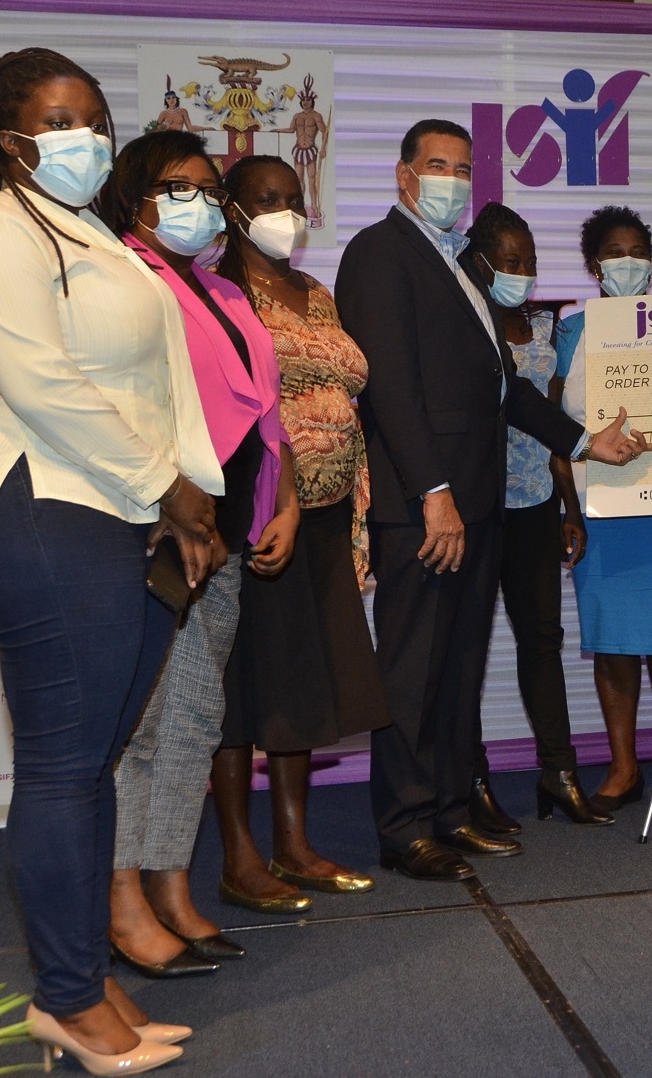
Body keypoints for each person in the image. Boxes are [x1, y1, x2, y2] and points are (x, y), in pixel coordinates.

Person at [0, 47, 217, 1072]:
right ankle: (63, 999)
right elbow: (45, 386)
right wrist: (167, 488)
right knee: (62, 767)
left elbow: (162, 377)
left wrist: (198, 499)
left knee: (90, 764)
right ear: (11, 140)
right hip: (34, 503)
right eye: (60, 122)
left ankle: (87, 976)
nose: (86, 139)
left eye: (94, 118)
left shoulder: (94, 233)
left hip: (121, 508)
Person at [335, 121, 645, 881]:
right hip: (426, 509)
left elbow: (502, 388)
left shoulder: (457, 265)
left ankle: (446, 808)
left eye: (461, 167)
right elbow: (394, 390)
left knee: (456, 668)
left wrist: (582, 442)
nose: (450, 179)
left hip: (478, 508)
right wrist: (433, 494)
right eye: (435, 165)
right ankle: (403, 824)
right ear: (404, 174)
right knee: (413, 670)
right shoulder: (380, 252)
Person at [101, 131, 297, 973]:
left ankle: (173, 886)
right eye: (177, 187)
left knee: (194, 721)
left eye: (207, 187)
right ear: (134, 199)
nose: (198, 202)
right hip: (161, 532)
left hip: (229, 533)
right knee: (145, 727)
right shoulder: (118, 282)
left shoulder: (223, 288)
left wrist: (282, 500)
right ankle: (122, 901)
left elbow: (265, 410)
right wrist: (174, 515)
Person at [209, 155, 391, 913]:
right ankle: (239, 855)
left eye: (292, 198)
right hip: (258, 517)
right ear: (233, 208)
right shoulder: (219, 292)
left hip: (325, 517)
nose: (285, 211)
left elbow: (345, 392)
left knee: (303, 686)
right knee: (241, 694)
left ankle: (293, 843)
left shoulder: (314, 291)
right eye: (266, 199)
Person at [552, 205, 652, 818]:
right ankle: (622, 766)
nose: (628, 263)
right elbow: (555, 427)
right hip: (596, 506)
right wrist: (568, 511)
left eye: (638, 252)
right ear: (593, 266)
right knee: (611, 642)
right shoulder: (568, 328)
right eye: (615, 254)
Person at [473, 199, 610, 825]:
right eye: (509, 261)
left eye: (528, 260)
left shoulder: (544, 327)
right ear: (480, 262)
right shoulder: (466, 322)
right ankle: (470, 780)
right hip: (475, 509)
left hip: (532, 505)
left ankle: (559, 773)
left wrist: (569, 507)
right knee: (466, 650)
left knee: (543, 642)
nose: (521, 271)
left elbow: (553, 428)